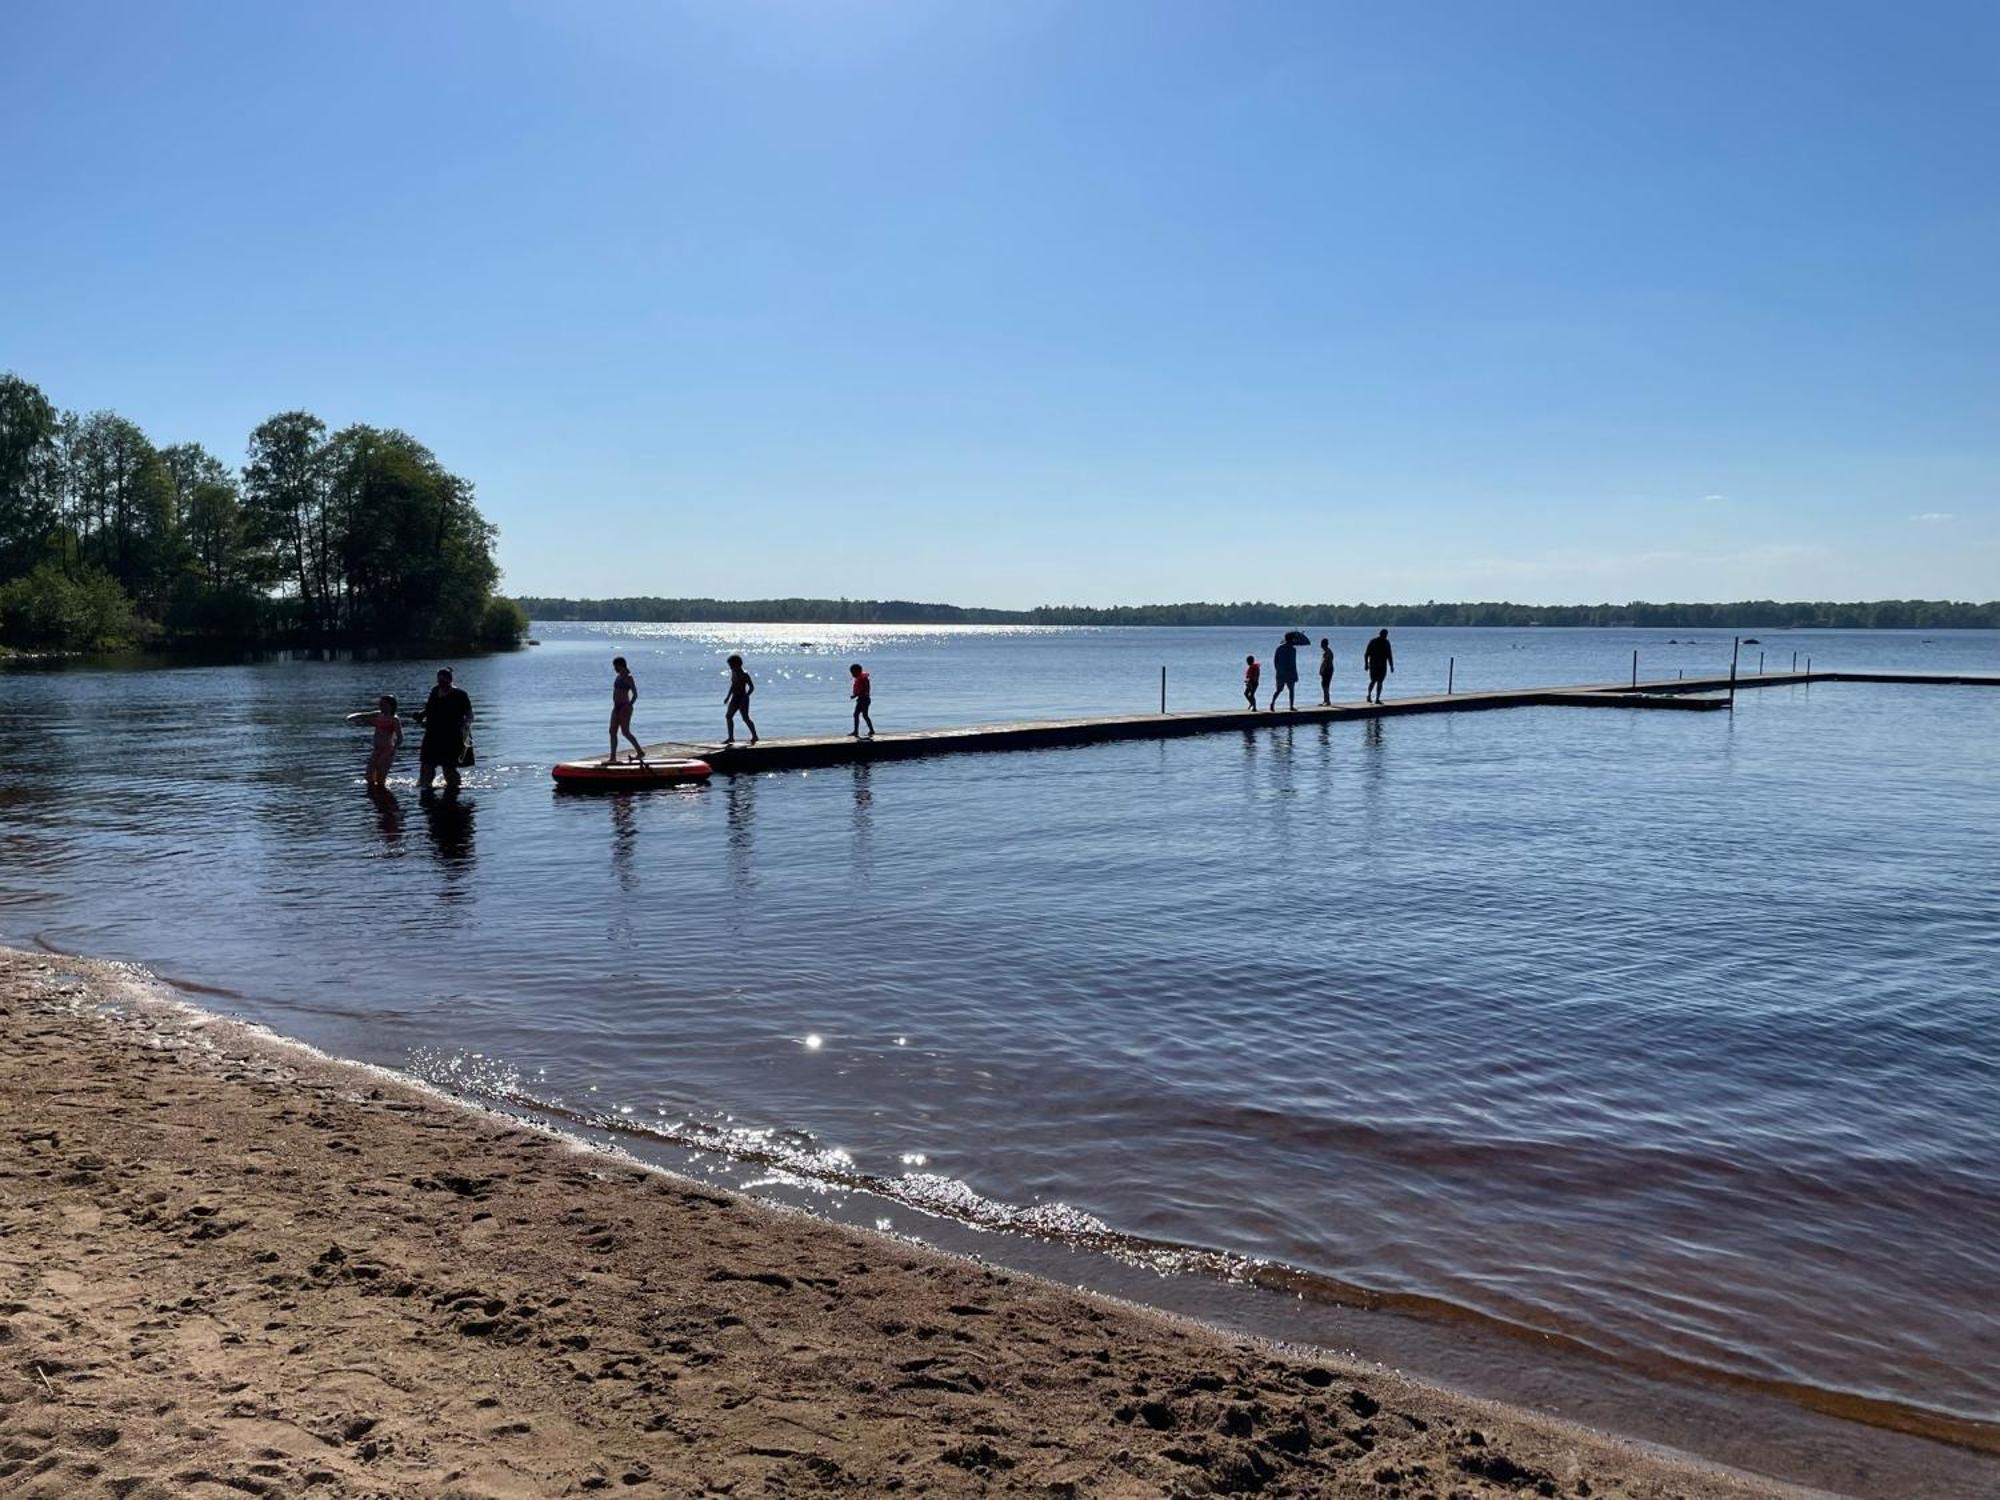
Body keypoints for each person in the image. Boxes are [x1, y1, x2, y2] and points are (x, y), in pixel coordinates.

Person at [413, 667, 474, 792]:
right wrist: (421, 715)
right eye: (439, 681)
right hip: (433, 733)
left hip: (452, 735)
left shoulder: (460, 695)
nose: (441, 684)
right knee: (427, 763)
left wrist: (467, 724)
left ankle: (455, 788)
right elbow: (429, 708)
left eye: (444, 681)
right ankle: (424, 787)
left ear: (450, 680)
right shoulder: (435, 691)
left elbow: (469, 714)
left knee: (448, 767)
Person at [345, 694, 402, 790]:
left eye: (384, 704)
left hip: (387, 751)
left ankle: (384, 798)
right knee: (369, 776)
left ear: (391, 706)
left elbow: (400, 737)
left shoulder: (394, 719)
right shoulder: (378, 714)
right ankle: (375, 796)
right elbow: (363, 715)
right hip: (377, 750)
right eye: (380, 704)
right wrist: (351, 717)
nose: (381, 707)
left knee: (380, 778)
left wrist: (394, 749)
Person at [607, 656, 646, 765]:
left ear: (621, 665)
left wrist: (629, 705)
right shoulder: (618, 677)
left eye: (616, 666)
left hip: (624, 707)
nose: (615, 669)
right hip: (616, 707)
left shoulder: (628, 677)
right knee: (612, 731)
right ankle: (612, 757)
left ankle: (640, 752)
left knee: (625, 731)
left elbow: (635, 694)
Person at [724, 654, 759, 744]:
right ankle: (731, 737)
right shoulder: (734, 673)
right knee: (728, 716)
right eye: (730, 665)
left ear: (737, 664)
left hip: (742, 698)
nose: (730, 667)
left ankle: (755, 736)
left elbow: (752, 687)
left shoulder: (744, 675)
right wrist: (728, 697)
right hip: (735, 697)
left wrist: (747, 696)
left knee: (745, 718)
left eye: (731, 665)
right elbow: (733, 685)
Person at [1364, 629, 1394, 703]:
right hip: (1374, 664)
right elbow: (1366, 654)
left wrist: (1391, 665)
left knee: (1379, 682)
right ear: (1381, 634)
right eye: (1384, 634)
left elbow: (1389, 655)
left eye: (1386, 635)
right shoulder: (1373, 642)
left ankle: (1376, 698)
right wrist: (1366, 664)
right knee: (1373, 681)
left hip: (1382, 665)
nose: (1385, 636)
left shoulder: (1386, 643)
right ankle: (1369, 695)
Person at [1269, 636, 1299, 711]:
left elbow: (1276, 661)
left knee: (1289, 690)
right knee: (1280, 689)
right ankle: (1273, 703)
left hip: (1285, 672)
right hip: (1285, 672)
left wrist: (1278, 669)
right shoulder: (1290, 649)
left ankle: (1291, 706)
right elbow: (1277, 661)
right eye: (1292, 640)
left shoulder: (1284, 649)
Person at [849, 662, 874, 738]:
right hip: (861, 699)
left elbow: (863, 689)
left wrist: (855, 695)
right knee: (857, 714)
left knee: (864, 715)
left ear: (858, 671)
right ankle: (856, 731)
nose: (852, 674)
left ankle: (871, 730)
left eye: (853, 672)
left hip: (864, 699)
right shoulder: (860, 678)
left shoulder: (863, 679)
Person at [1318, 638, 1335, 705]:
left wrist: (1321, 670)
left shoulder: (1327, 652)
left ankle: (1327, 701)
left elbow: (1325, 662)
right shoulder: (1327, 651)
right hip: (1329, 669)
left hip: (1327, 669)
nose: (1321, 645)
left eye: (1322, 644)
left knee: (1325, 685)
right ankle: (1325, 700)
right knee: (1324, 685)